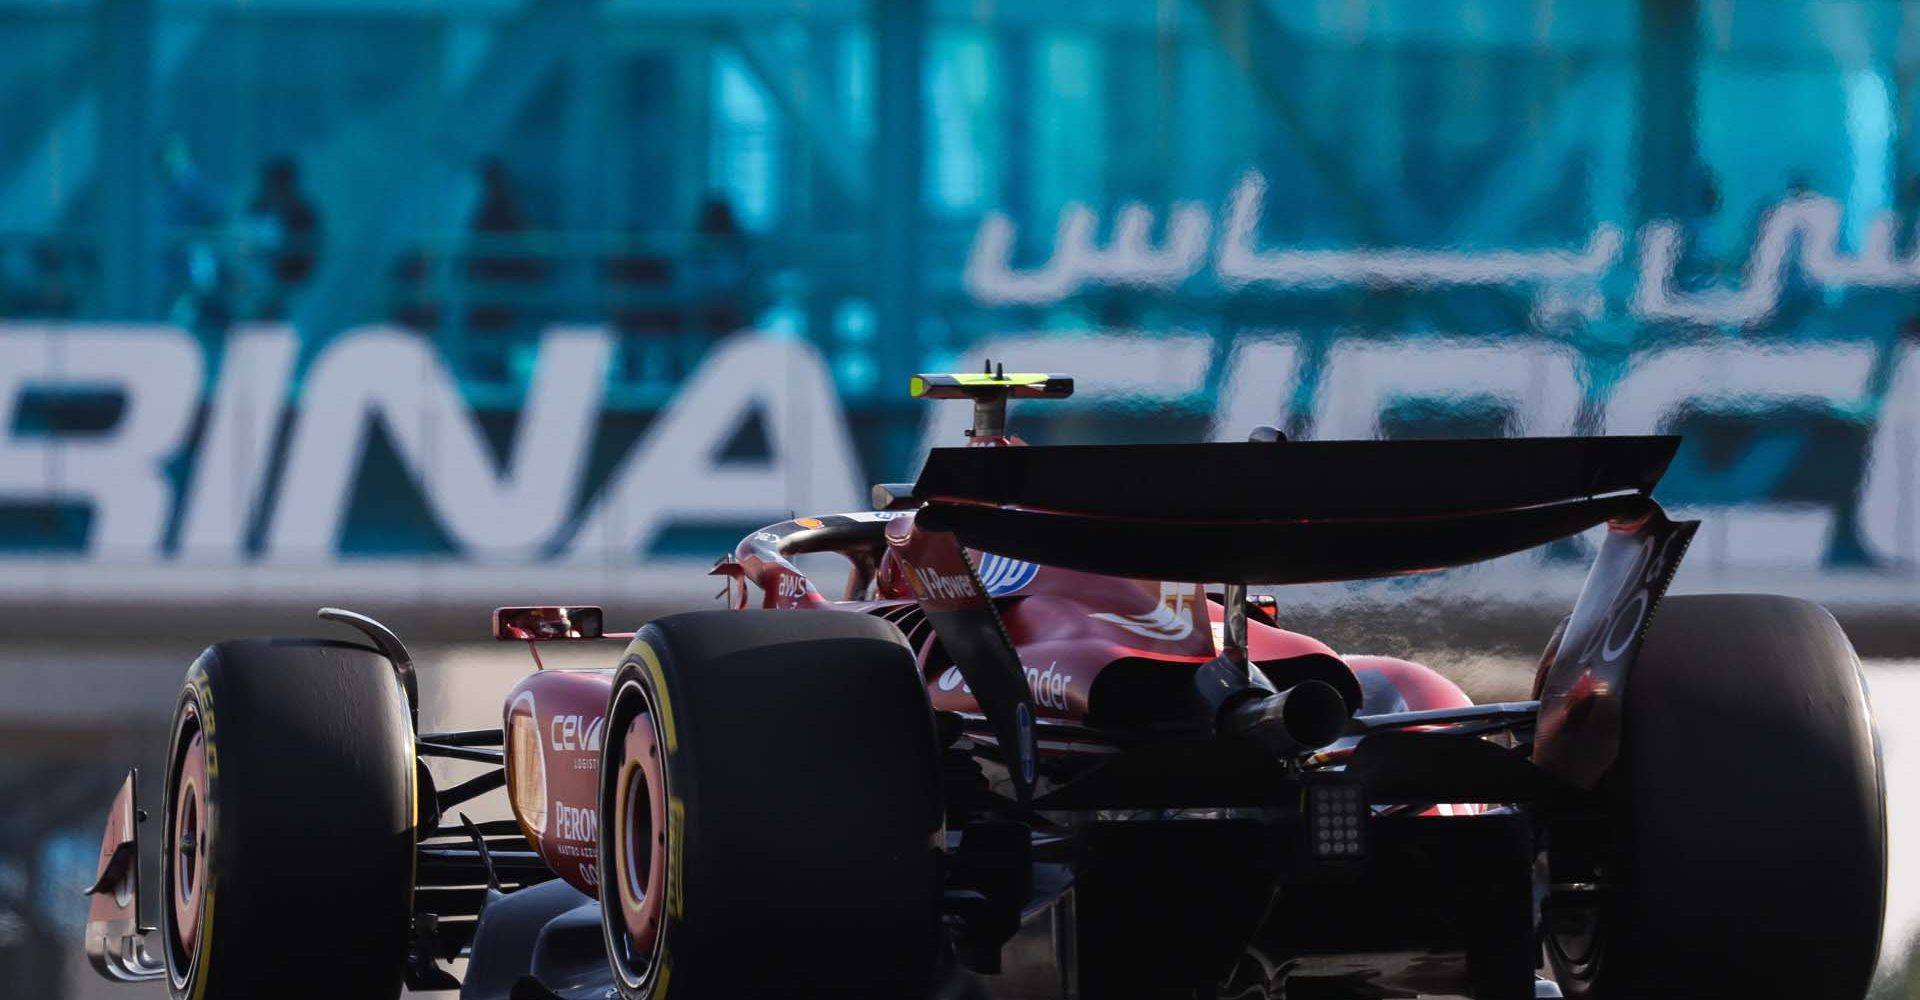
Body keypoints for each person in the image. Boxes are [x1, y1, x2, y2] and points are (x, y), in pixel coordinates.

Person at [238, 155, 322, 320]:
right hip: (257, 279)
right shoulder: (257, 208)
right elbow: (245, 243)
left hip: (289, 280)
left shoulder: (303, 215)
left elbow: (309, 248)